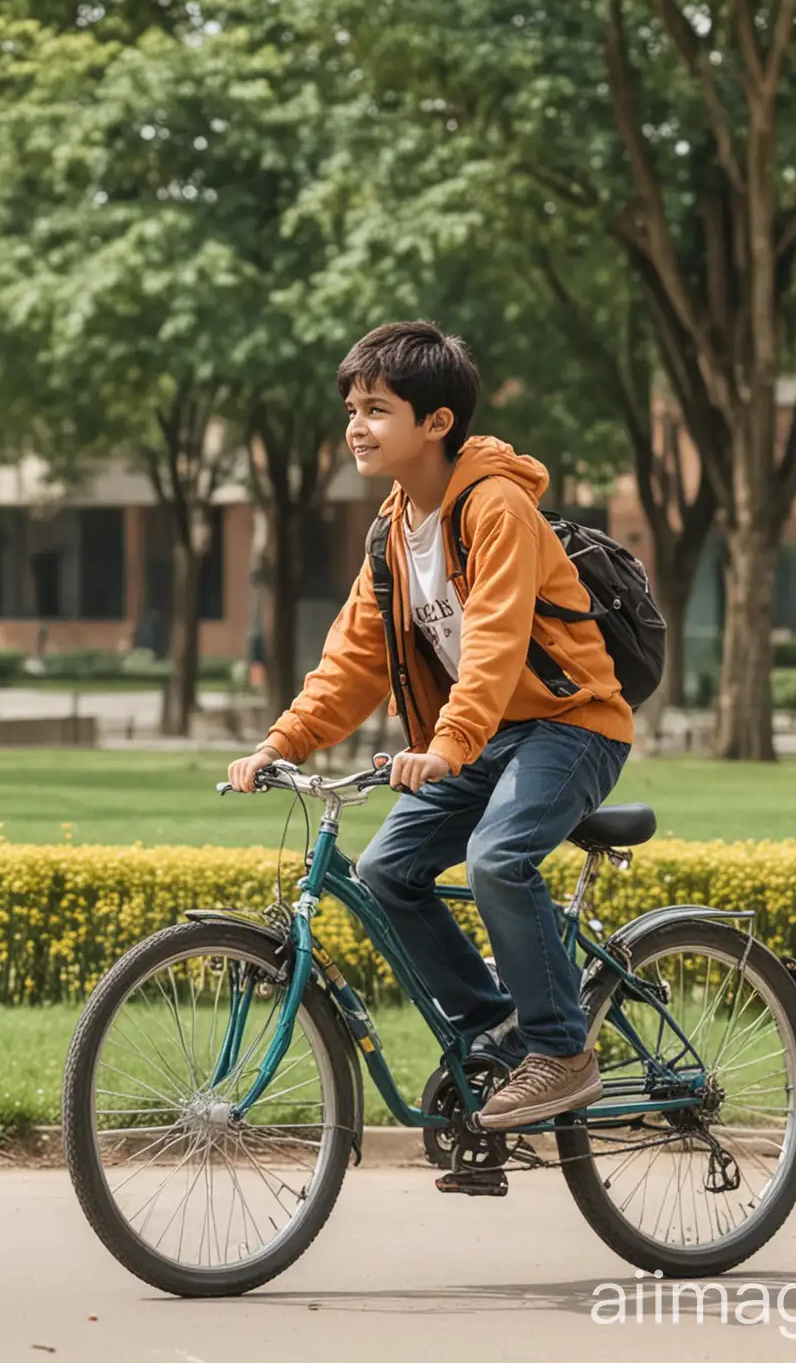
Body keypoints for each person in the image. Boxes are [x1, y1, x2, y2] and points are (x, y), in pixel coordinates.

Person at [226, 320, 634, 1132]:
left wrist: (447, 744)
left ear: (436, 422)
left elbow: (494, 639)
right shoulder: (389, 534)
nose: (354, 425)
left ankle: (562, 1052)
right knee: (386, 872)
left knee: (498, 857)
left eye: (376, 408)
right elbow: (353, 659)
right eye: (351, 408)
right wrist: (282, 742)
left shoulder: (497, 507)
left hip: (570, 725)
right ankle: (499, 1035)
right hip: (479, 737)